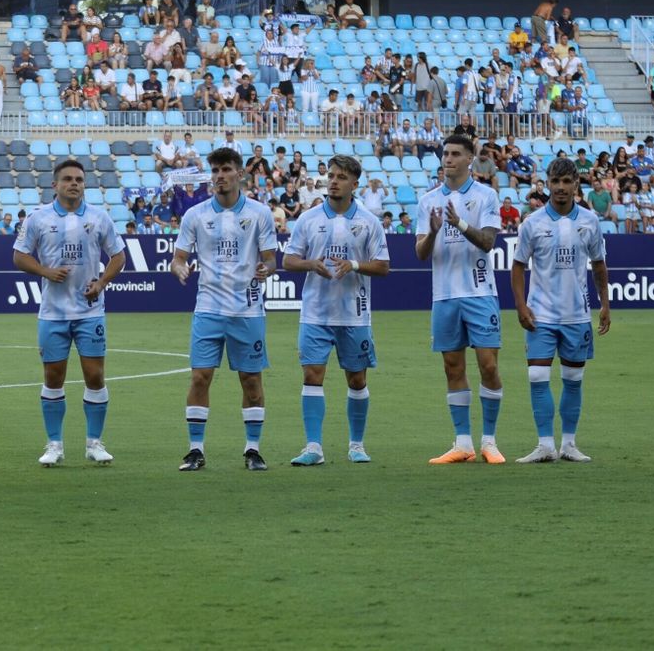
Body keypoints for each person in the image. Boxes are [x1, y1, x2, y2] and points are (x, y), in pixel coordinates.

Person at [13, 159, 127, 466]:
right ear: (55, 185)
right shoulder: (38, 218)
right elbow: (19, 256)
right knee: (53, 377)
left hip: (90, 312)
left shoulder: (99, 217)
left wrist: (101, 282)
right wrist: (45, 271)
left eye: (78, 179)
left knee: (95, 375)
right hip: (52, 313)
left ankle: (94, 443)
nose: (74, 183)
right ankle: (54, 445)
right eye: (67, 179)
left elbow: (118, 257)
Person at [171, 147, 279, 472]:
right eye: (215, 171)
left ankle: (252, 450)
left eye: (226, 170)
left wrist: (267, 269)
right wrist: (178, 267)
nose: (220, 176)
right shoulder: (195, 215)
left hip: (247, 310)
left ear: (240, 174)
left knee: (250, 380)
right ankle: (194, 450)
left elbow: (272, 259)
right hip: (208, 308)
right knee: (200, 377)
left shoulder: (260, 214)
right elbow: (178, 257)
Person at [280, 154, 390, 466]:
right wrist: (310, 264)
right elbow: (288, 260)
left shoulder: (368, 222)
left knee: (356, 379)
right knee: (312, 375)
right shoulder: (308, 219)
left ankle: (356, 444)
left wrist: (354, 264)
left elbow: (383, 266)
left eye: (341, 177)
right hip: (315, 313)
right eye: (331, 175)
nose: (334, 181)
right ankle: (313, 447)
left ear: (355, 184)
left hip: (354, 314)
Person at [510, 158, 611, 464]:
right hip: (541, 315)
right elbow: (517, 267)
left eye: (567, 182)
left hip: (576, 315)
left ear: (576, 185)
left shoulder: (590, 222)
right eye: (556, 181)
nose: (561, 188)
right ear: (548, 183)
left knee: (573, 379)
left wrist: (605, 303)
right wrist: (520, 304)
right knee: (537, 375)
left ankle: (568, 443)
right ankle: (544, 444)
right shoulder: (533, 223)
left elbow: (599, 265)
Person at [415, 133, 505, 465]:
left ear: (470, 159)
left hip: (480, 293)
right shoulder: (427, 201)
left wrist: (459, 223)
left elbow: (487, 242)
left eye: (455, 154)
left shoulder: (486, 196)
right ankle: (463, 443)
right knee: (452, 367)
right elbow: (420, 253)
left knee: (489, 365)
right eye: (445, 154)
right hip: (445, 296)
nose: (448, 159)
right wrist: (436, 230)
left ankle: (490, 441)